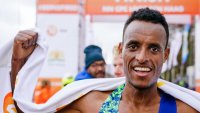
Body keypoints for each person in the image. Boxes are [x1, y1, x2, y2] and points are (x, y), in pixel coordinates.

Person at [11, 8, 198, 113]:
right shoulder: (91, 104)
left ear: (165, 55)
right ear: (120, 49)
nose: (142, 57)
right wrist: (17, 61)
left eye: (153, 48)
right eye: (133, 46)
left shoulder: (185, 110)